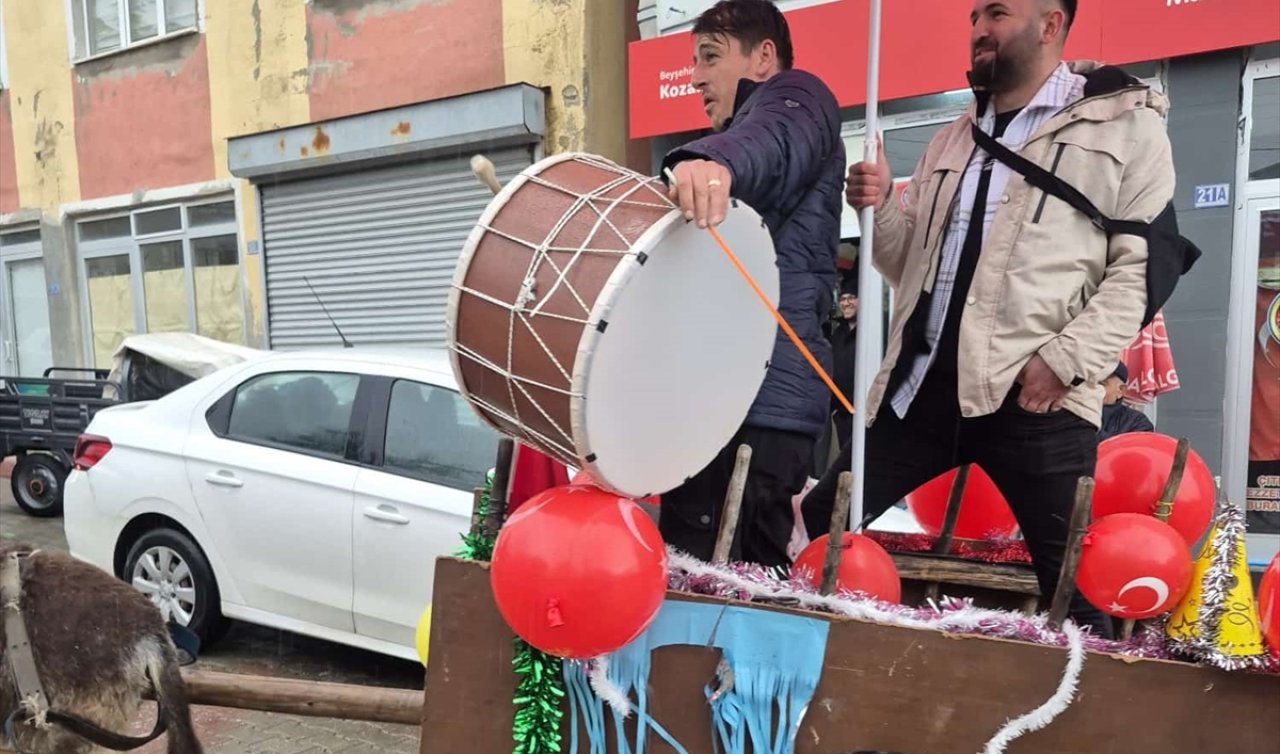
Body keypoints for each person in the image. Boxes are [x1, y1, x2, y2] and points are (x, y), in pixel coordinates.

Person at [804, 0, 1175, 636]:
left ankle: (1097, 717)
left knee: (1077, 585)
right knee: (825, 521)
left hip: (1036, 397)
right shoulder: (953, 136)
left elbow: (1142, 269)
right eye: (975, 15)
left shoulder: (1125, 127)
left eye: (997, 13)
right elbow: (905, 264)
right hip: (922, 389)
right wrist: (879, 211)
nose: (979, 29)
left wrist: (1065, 361)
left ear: (1051, 24)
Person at [660, 0, 844, 569]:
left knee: (726, 591)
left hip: (759, 409)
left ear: (764, 57)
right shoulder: (743, 128)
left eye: (710, 57)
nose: (695, 77)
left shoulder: (796, 97)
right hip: (732, 399)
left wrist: (711, 162)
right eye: (693, 61)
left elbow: (771, 140)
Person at [828, 274, 859, 450]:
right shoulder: (837, 335)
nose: (846, 303)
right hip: (842, 414)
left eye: (851, 298)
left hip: (863, 413)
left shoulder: (871, 331)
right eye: (842, 299)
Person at [1099, 362, 1154, 441]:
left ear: (1121, 391)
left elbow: (1130, 451)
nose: (1093, 389)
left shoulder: (1136, 422)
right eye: (1088, 383)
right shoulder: (1076, 414)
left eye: (1101, 384)